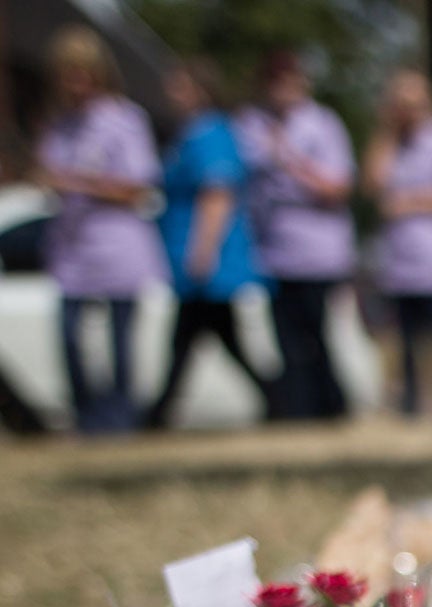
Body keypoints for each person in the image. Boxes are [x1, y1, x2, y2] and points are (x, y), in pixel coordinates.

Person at [34, 27, 164, 434]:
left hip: (118, 246)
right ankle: (86, 418)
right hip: (72, 247)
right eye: (67, 75)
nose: (74, 83)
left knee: (119, 342)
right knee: (70, 336)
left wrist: (78, 182)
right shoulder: (60, 125)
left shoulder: (124, 120)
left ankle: (119, 419)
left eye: (82, 74)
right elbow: (47, 173)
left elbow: (138, 188)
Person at [146, 60, 271, 430]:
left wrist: (203, 251)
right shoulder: (192, 133)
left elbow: (217, 195)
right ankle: (279, 399)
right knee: (215, 338)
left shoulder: (209, 134)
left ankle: (158, 414)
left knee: (188, 337)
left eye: (179, 87)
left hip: (206, 257)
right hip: (193, 256)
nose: (171, 94)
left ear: (200, 91)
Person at [236, 51, 355, 421]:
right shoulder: (252, 124)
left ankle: (332, 405)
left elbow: (337, 186)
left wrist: (288, 159)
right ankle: (297, 409)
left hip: (318, 250)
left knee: (316, 333)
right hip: (272, 250)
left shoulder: (322, 124)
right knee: (285, 338)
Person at [365, 70, 432, 417]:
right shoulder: (390, 143)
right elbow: (372, 184)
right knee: (406, 341)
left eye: (413, 104)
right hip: (399, 260)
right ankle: (411, 405)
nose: (407, 112)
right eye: (400, 104)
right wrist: (385, 131)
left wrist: (410, 202)